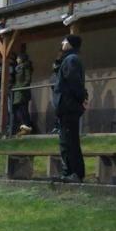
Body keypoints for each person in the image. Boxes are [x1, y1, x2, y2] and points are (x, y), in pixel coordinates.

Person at [52, 34, 87, 183]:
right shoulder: (67, 59)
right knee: (66, 141)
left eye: (65, 40)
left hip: (68, 106)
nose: (62, 42)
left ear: (71, 44)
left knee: (70, 141)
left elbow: (74, 83)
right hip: (66, 106)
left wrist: (82, 98)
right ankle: (68, 172)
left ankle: (75, 173)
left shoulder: (71, 60)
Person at [13, 53, 33, 136]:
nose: (16, 60)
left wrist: (20, 87)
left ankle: (26, 127)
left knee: (23, 110)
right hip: (17, 91)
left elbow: (28, 80)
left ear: (21, 58)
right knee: (18, 111)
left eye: (18, 58)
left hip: (22, 92)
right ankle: (22, 127)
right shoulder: (17, 68)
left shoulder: (26, 67)